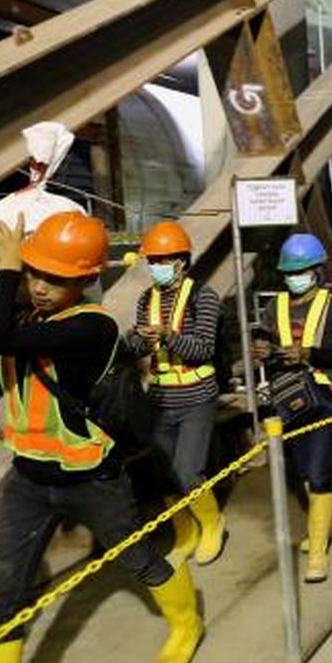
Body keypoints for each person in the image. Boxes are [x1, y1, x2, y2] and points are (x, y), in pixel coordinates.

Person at [0, 213, 203, 663]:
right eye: (34, 273)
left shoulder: (90, 328)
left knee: (136, 556)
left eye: (57, 278)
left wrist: (5, 269)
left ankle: (187, 622)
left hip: (91, 478)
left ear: (86, 280)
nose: (40, 287)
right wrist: (10, 277)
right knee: (1, 593)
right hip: (28, 479)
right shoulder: (30, 320)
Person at [252, 233, 332, 583]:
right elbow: (264, 335)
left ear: (316, 270)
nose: (294, 278)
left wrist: (308, 353)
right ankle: (331, 522)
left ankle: (319, 553)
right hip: (289, 397)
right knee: (306, 466)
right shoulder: (274, 306)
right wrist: (262, 347)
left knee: (318, 471)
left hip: (325, 397)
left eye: (301, 271)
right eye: (289, 273)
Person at [123, 220, 225, 567]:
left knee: (187, 468)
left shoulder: (204, 297)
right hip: (160, 399)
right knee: (165, 471)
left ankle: (212, 524)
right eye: (152, 260)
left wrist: (167, 335)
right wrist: (135, 340)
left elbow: (203, 348)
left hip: (197, 395)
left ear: (181, 262)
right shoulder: (145, 299)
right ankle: (186, 532)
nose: (156, 267)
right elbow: (136, 348)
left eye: (163, 260)